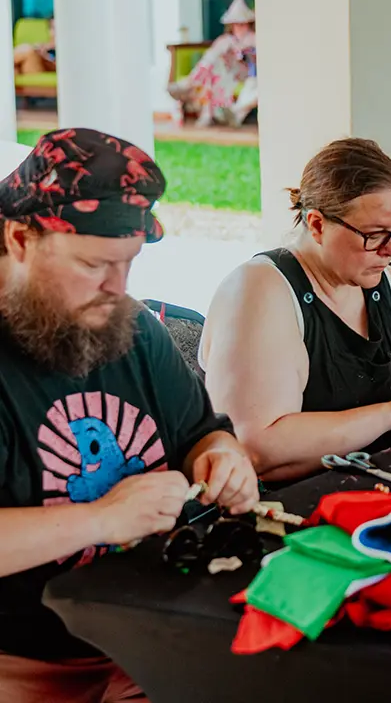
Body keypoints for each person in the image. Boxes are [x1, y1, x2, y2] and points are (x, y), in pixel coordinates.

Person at [0, 129, 258, 700]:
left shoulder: (133, 326)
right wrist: (101, 519)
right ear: (20, 239)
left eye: (129, 262)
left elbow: (202, 434)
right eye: (94, 264)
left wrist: (223, 457)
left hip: (153, 631)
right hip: (25, 662)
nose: (118, 287)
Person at [201, 138, 391, 483]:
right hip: (293, 504)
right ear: (317, 225)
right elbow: (255, 449)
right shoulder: (260, 290)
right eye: (374, 235)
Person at [167, 0, 257, 128]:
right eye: (236, 24)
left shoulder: (254, 39)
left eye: (242, 24)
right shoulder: (225, 40)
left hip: (243, 75)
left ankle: (191, 89)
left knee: (213, 71)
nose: (239, 27)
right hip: (223, 74)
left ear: (248, 24)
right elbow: (210, 56)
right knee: (211, 69)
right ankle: (191, 84)